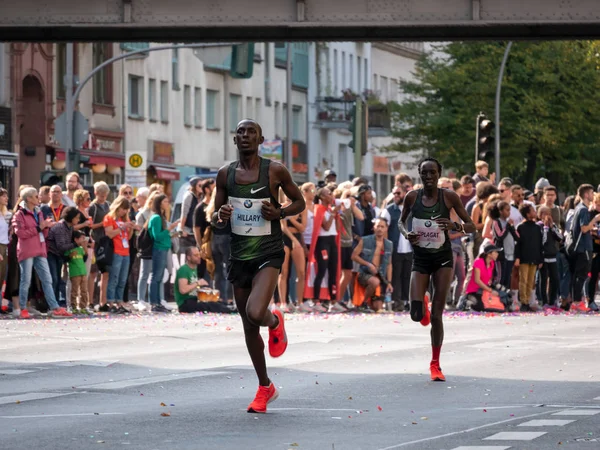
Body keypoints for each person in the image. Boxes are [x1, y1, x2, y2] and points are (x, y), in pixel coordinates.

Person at [212, 119, 305, 413]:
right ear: (234, 139)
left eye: (251, 131)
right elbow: (214, 215)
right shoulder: (225, 174)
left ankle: (275, 321)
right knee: (249, 326)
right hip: (240, 256)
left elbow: (299, 202)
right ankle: (265, 386)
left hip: (268, 252)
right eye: (240, 131)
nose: (245, 136)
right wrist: (221, 214)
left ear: (261, 139)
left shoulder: (275, 171)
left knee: (255, 312)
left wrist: (279, 212)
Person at [399, 157, 475, 382]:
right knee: (416, 315)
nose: (429, 176)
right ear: (419, 174)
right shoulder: (412, 197)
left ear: (439, 174)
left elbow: (472, 225)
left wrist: (454, 226)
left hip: (443, 258)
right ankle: (422, 300)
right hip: (421, 258)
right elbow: (401, 223)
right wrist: (406, 234)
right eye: (425, 173)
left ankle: (435, 364)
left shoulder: (449, 197)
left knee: (437, 316)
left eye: (433, 172)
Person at [13, 187, 72, 318]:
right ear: (28, 199)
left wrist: (46, 227)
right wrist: (40, 227)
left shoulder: (38, 212)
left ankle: (54, 307)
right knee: (26, 280)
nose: (38, 198)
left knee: (47, 279)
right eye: (35, 196)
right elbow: (20, 233)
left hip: (40, 249)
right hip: (27, 250)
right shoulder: (20, 214)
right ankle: (23, 308)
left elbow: (42, 232)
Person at [305, 187, 341, 311]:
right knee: (321, 270)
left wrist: (336, 214)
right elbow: (325, 226)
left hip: (332, 241)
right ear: (322, 197)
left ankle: (333, 300)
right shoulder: (319, 209)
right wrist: (332, 214)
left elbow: (335, 227)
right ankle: (316, 300)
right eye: (329, 194)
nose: (331, 196)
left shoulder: (330, 209)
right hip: (323, 242)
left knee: (333, 271)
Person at [569, 184, 600, 312]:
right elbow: (584, 228)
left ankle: (576, 301)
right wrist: (595, 220)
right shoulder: (583, 209)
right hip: (583, 247)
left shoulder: (578, 208)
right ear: (586, 195)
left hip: (581, 247)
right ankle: (576, 302)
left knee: (579, 275)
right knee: (581, 275)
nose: (593, 196)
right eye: (592, 193)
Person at [351, 217, 393, 312]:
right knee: (375, 282)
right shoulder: (365, 240)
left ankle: (371, 302)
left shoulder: (389, 244)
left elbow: (389, 264)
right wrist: (368, 264)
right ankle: (363, 303)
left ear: (386, 228)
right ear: (374, 227)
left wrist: (389, 282)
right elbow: (354, 256)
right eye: (378, 226)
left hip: (380, 275)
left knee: (377, 307)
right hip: (364, 273)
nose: (380, 229)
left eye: (382, 227)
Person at [104, 196, 136, 314]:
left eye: (126, 210)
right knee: (114, 278)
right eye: (123, 209)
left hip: (125, 251)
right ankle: (110, 302)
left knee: (123, 279)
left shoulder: (124, 219)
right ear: (117, 207)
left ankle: (119, 302)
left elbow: (128, 237)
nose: (124, 212)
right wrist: (122, 228)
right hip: (115, 251)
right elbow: (109, 234)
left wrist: (130, 228)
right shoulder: (109, 218)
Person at [148, 194, 180, 313]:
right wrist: (169, 228)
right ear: (160, 203)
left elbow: (164, 235)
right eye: (165, 201)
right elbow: (157, 236)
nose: (167, 203)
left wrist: (173, 233)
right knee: (156, 276)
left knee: (159, 277)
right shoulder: (156, 218)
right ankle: (154, 303)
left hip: (164, 248)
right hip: (159, 249)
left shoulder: (160, 217)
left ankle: (157, 302)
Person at [382, 185, 412, 312]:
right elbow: (383, 228)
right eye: (394, 193)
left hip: (410, 249)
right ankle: (397, 302)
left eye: (398, 193)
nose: (396, 196)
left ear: (405, 194)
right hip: (395, 249)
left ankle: (407, 301)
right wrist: (386, 247)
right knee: (396, 276)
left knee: (408, 276)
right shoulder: (389, 210)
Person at [175, 247, 231, 313]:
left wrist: (203, 290)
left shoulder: (194, 269)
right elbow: (183, 290)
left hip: (193, 300)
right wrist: (197, 283)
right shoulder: (184, 270)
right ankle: (231, 310)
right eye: (196, 255)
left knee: (218, 302)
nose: (199, 257)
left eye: (199, 254)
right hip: (185, 303)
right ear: (188, 257)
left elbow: (192, 287)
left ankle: (229, 308)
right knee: (211, 305)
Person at [47, 206, 80, 308]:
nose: (78, 220)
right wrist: (75, 244)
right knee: (54, 279)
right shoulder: (60, 227)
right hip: (51, 254)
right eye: (77, 217)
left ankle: (56, 303)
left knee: (58, 280)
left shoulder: (69, 227)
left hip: (59, 256)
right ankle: (52, 305)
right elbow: (61, 246)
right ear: (71, 217)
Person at [514, 204, 543, 312]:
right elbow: (518, 244)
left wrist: (540, 259)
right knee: (523, 280)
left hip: (534, 258)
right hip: (524, 258)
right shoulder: (521, 227)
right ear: (527, 214)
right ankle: (524, 301)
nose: (535, 212)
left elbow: (540, 244)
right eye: (533, 211)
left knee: (531, 281)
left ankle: (529, 301)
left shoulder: (537, 227)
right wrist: (517, 257)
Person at [89, 181, 111, 311]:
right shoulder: (93, 207)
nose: (103, 198)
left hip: (106, 241)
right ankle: (90, 301)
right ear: (96, 193)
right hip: (96, 240)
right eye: (101, 195)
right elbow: (90, 225)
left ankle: (103, 301)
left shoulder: (108, 205)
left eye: (105, 195)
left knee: (105, 272)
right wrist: (103, 223)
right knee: (93, 272)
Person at [537, 206, 562, 308]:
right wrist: (546, 228)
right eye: (545, 213)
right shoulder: (538, 226)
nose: (548, 216)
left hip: (552, 256)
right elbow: (543, 241)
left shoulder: (553, 226)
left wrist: (552, 227)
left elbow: (560, 238)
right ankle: (543, 300)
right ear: (540, 215)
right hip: (543, 256)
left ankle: (552, 301)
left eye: (549, 213)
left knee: (555, 279)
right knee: (543, 280)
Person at [464, 244, 501, 311]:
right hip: (475, 291)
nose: (497, 254)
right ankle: (466, 301)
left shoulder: (492, 263)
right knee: (481, 307)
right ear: (489, 254)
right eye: (495, 252)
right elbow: (477, 280)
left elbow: (489, 280)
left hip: (484, 290)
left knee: (496, 305)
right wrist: (490, 290)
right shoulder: (478, 262)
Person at [65, 230, 90, 314]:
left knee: (84, 290)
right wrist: (70, 255)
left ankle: (83, 306)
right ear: (76, 239)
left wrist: (85, 247)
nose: (83, 240)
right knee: (74, 291)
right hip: (74, 273)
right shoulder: (70, 248)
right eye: (81, 238)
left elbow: (85, 257)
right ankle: (73, 306)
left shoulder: (81, 249)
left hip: (83, 272)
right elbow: (65, 258)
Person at [0, 188, 11, 315]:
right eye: (3, 196)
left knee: (2, 277)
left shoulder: (4, 214)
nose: (6, 198)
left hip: (4, 246)